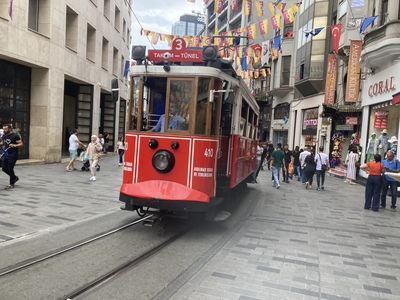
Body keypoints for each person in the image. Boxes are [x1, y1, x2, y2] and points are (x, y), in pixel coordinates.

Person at [0, 124, 23, 189]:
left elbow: (21, 144)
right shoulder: (4, 135)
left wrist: (14, 145)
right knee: (4, 168)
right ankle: (14, 177)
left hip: (13, 155)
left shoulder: (15, 136)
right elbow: (3, 143)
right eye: (3, 129)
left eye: (6, 129)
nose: (4, 130)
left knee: (10, 169)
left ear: (10, 128)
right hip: (6, 154)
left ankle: (11, 183)